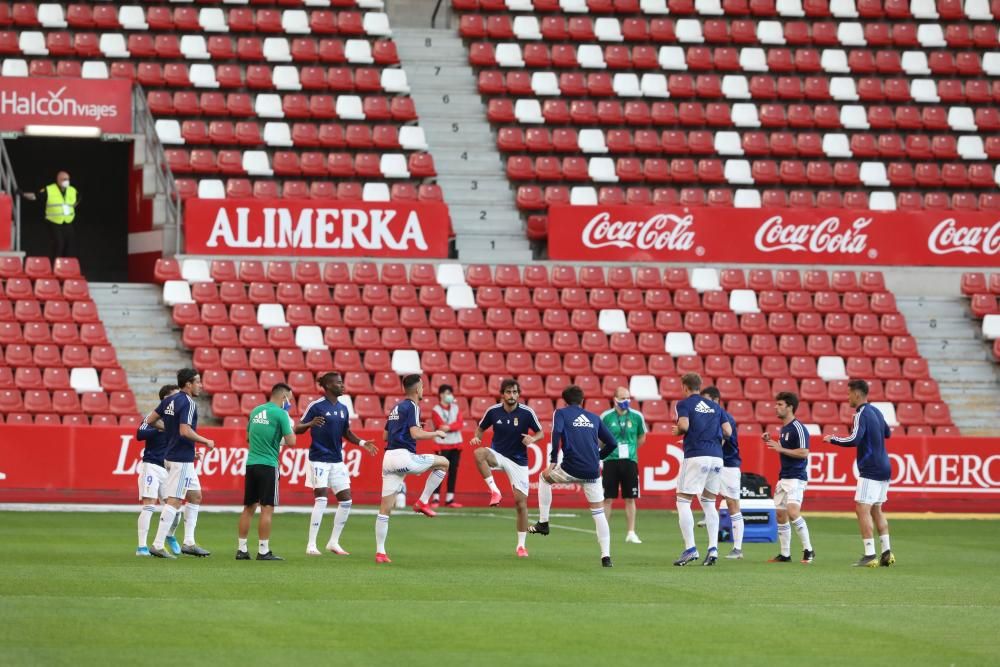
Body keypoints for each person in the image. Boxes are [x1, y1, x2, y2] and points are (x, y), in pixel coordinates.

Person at [530, 385, 618, 568]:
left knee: (544, 479)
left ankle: (543, 522)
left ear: (565, 401)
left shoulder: (561, 413)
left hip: (571, 468)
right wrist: (598, 457)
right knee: (598, 512)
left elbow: (556, 434)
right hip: (593, 470)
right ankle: (606, 556)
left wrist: (553, 461)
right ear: (582, 400)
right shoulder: (594, 417)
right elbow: (612, 442)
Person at [297, 372, 378, 556]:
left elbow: (346, 432)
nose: (342, 386)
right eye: (339, 383)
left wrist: (363, 443)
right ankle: (311, 545)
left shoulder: (343, 408)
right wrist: (310, 423)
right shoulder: (316, 406)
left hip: (336, 461)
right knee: (322, 499)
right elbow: (297, 428)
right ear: (328, 386)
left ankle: (333, 542)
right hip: (318, 459)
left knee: (347, 501)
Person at [375, 374, 449, 563]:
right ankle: (423, 501)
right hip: (403, 457)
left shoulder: (395, 407)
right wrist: (435, 433)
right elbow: (415, 433)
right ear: (417, 390)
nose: (423, 390)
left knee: (385, 508)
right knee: (444, 463)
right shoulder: (413, 406)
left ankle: (380, 552)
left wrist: (408, 430)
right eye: (422, 387)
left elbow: (385, 435)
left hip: (388, 458)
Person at [145, 368, 216, 559]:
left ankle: (189, 543)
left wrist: (170, 431)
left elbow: (150, 420)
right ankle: (158, 544)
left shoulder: (169, 400)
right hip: (180, 459)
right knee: (175, 501)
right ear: (188, 384)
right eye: (198, 382)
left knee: (195, 496)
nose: (200, 385)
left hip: (175, 456)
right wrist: (205, 441)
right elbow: (185, 431)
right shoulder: (188, 403)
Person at [823, 379, 895, 568]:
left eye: (848, 394)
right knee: (876, 509)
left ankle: (870, 554)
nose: (848, 398)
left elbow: (855, 439)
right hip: (885, 466)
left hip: (870, 468)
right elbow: (888, 433)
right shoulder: (877, 412)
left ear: (856, 394)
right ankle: (887, 552)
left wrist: (833, 439)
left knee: (862, 509)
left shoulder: (861, 413)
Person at [469, 379, 544, 558]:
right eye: (509, 392)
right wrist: (477, 438)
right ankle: (495, 492)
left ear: (518, 394)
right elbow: (480, 429)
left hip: (518, 461)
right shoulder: (493, 411)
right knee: (479, 453)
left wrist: (534, 439)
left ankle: (521, 546)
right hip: (498, 455)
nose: (512, 396)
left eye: (515, 392)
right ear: (502, 394)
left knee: (521, 503)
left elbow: (540, 432)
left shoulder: (527, 412)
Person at [671, 373, 733, 567]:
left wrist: (678, 431)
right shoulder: (716, 407)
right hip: (717, 457)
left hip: (697, 455)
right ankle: (713, 549)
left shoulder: (684, 404)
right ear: (699, 386)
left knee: (683, 500)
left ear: (684, 387)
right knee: (709, 502)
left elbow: (684, 425)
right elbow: (728, 432)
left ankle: (690, 548)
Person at [236, 384, 296, 561]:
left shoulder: (255, 411)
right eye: (290, 399)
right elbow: (291, 441)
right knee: (267, 508)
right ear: (283, 397)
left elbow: (248, 437)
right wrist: (287, 433)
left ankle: (242, 549)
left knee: (248, 508)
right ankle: (263, 550)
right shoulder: (281, 414)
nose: (290, 403)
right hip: (269, 465)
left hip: (251, 463)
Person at [763, 392, 815, 564]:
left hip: (796, 477)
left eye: (779, 404)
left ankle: (809, 550)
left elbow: (804, 452)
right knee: (780, 515)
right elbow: (784, 448)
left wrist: (780, 449)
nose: (775, 407)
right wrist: (771, 441)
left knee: (793, 512)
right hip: (784, 476)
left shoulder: (798, 427)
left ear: (790, 407)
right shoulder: (784, 428)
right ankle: (785, 554)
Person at [135, 384, 180, 556]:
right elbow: (140, 434)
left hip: (169, 469)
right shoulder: (153, 417)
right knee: (149, 506)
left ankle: (170, 536)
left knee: (175, 508)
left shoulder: (177, 419)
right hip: (152, 466)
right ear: (165, 399)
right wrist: (162, 427)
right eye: (175, 395)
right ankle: (142, 547)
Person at [700, 386, 744, 560]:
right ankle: (708, 515)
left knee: (732, 503)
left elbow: (722, 442)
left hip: (728, 465)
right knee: (704, 494)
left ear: (716, 400)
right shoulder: (710, 417)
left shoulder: (725, 418)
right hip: (715, 461)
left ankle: (738, 549)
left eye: (706, 401)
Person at [600, 386, 646, 544]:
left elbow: (641, 437)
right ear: (615, 399)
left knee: (630, 498)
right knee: (607, 498)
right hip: (610, 460)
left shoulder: (637, 416)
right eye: (622, 398)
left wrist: (631, 449)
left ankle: (631, 532)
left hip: (630, 461)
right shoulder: (606, 417)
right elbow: (600, 439)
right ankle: (603, 532)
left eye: (627, 398)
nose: (625, 401)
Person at [21, 171, 79, 264]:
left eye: (68, 179)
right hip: (54, 221)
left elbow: (78, 198)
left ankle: (66, 267)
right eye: (64, 179)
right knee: (59, 244)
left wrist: (74, 205)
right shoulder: (50, 189)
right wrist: (23, 194)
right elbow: (35, 196)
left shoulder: (72, 190)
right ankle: (55, 267)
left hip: (67, 221)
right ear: (58, 180)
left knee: (69, 246)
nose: (67, 181)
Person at [430, 384, 464, 508]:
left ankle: (450, 498)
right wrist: (451, 426)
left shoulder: (455, 408)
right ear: (441, 395)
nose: (449, 395)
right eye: (446, 393)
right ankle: (436, 498)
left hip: (455, 444)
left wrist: (448, 427)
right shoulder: (436, 409)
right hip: (442, 444)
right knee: (439, 471)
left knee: (453, 471)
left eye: (450, 393)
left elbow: (459, 424)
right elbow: (439, 425)